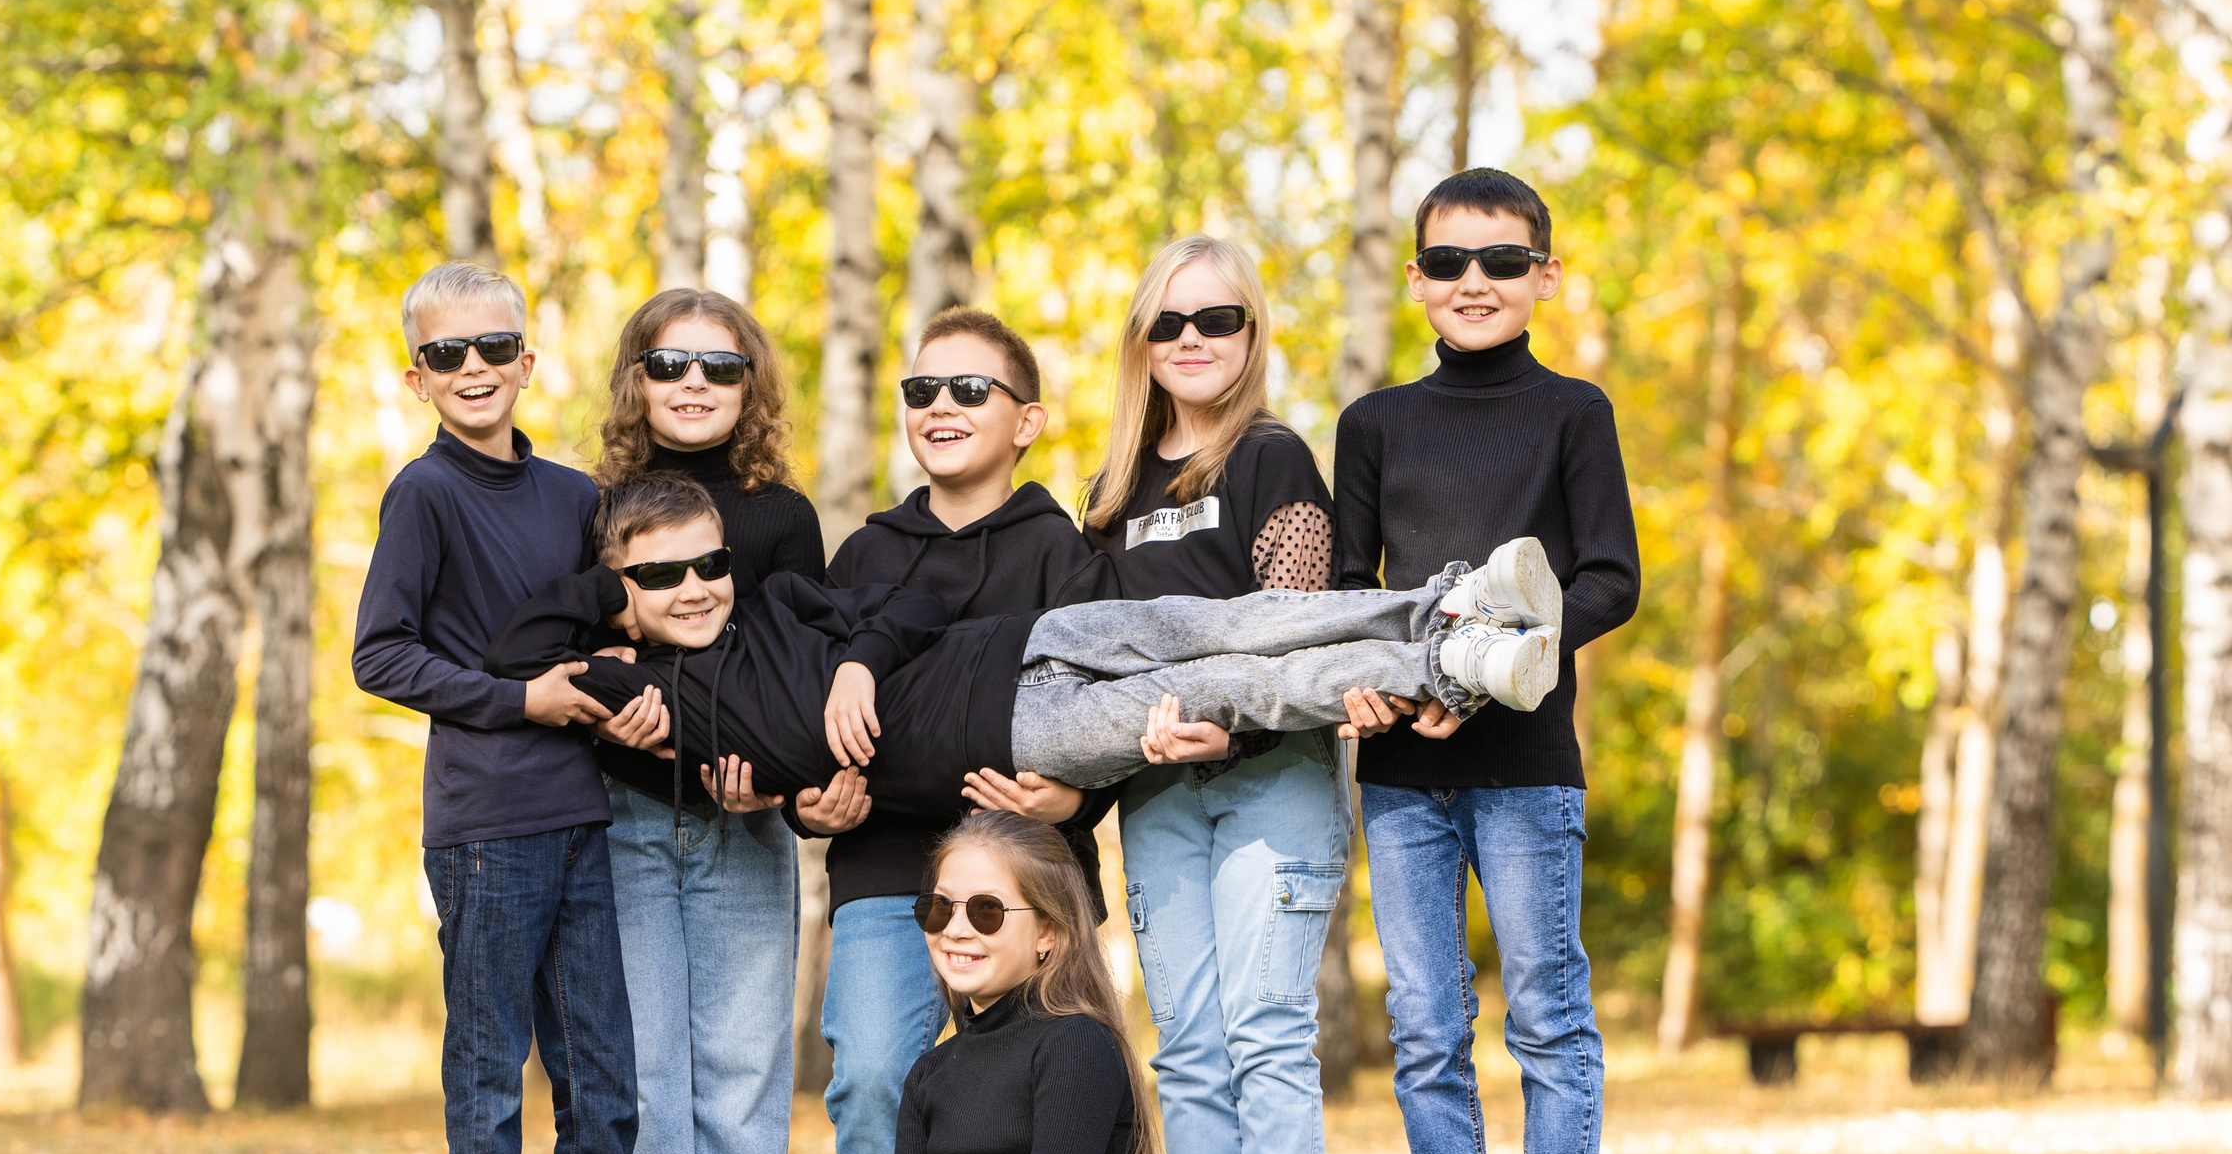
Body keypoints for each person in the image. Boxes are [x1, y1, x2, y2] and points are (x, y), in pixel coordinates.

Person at [486, 472, 1555, 825]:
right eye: (658, 578)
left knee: (1227, 617)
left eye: (706, 564)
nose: (692, 589)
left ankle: (1444, 602)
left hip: (1021, 639)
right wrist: (612, 601)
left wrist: (857, 661)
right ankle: (1448, 667)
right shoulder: (648, 700)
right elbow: (509, 652)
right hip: (1012, 737)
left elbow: (904, 607)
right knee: (1229, 686)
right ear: (619, 594)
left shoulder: (773, 602)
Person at [1332, 168, 1642, 1154]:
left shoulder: (1574, 414)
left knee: (1547, 1013)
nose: (1475, 282)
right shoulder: (1373, 425)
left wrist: (1491, 669)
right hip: (1401, 773)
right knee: (1423, 1023)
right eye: (1450, 262)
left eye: (1502, 261)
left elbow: (1609, 578)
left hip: (1525, 765)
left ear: (1543, 277)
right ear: (1415, 279)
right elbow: (1346, 593)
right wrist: (1384, 682)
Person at [347, 262, 651, 1154]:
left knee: (603, 1089)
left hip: (583, 816)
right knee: (487, 1090)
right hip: (483, 830)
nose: (472, 368)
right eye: (446, 354)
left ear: (527, 362)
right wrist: (518, 700)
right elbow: (380, 653)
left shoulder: (575, 499)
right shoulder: (423, 496)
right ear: (418, 378)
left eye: (492, 349)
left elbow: (606, 621)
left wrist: (621, 667)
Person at [1077, 235, 1345, 1154]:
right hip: (1158, 796)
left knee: (1264, 1027)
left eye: (1217, 319)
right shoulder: (1110, 493)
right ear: (1142, 340)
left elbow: (1295, 627)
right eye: (1170, 322)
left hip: (1272, 779)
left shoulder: (1275, 459)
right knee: (1186, 1041)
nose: (1192, 340)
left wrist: (1228, 722)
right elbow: (1093, 651)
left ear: (1251, 333)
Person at [645, 812, 1167, 1154]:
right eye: (939, 908)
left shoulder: (1078, 1044)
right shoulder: (931, 1071)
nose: (955, 930)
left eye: (986, 911)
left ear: (1048, 933)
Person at [818, 306, 1117, 1154]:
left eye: (969, 389)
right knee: (871, 1076)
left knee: (1046, 1090)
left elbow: (1104, 712)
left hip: (1030, 868)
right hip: (886, 861)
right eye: (922, 389)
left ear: (1026, 420)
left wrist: (1075, 803)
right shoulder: (863, 555)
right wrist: (804, 800)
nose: (940, 405)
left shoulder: (1066, 555)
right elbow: (804, 713)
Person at [587, 289, 825, 1154]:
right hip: (623, 821)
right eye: (669, 364)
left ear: (750, 383)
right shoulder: (592, 509)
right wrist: (619, 714)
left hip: (746, 826)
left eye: (719, 366)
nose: (693, 383)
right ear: (635, 379)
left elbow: (797, 667)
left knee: (743, 1073)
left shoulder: (784, 518)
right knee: (648, 1074)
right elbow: (575, 651)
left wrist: (773, 774)